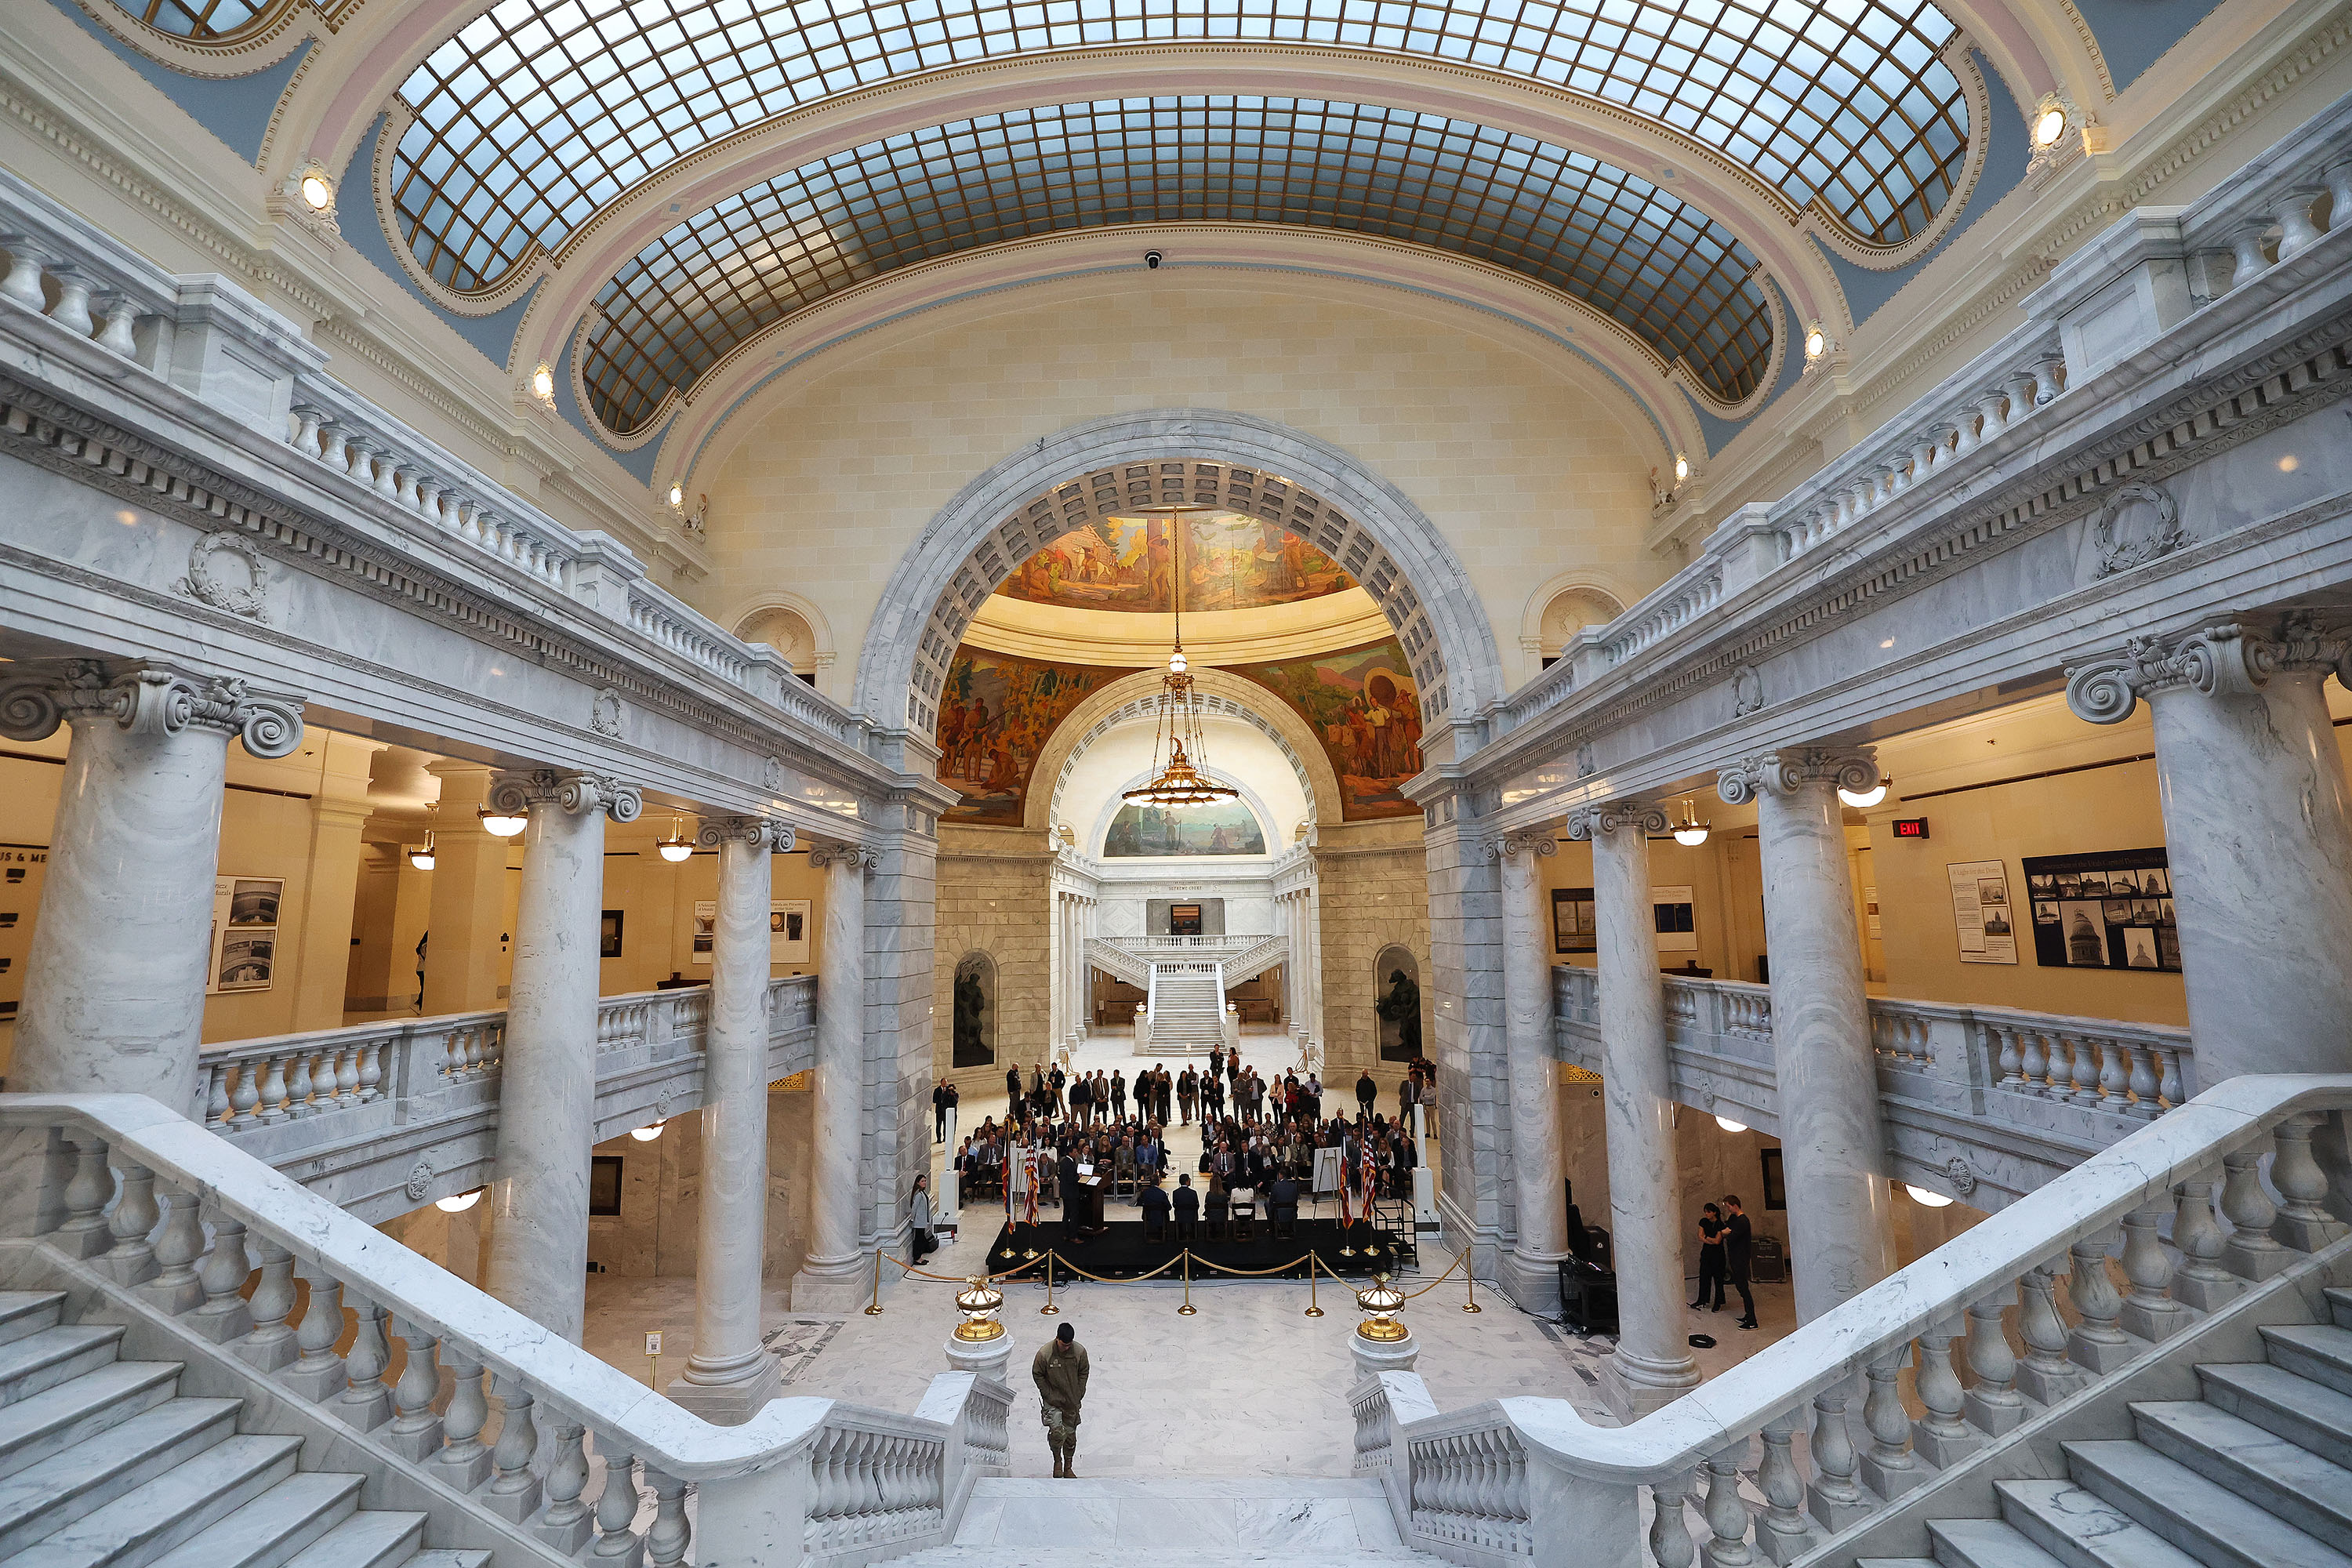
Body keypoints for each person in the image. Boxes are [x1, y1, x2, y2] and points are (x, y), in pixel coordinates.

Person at [1033, 1321, 1091, 1478]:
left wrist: (1079, 1392)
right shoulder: (1045, 1354)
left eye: (1069, 1345)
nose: (1067, 1348)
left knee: (1070, 1437)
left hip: (1071, 1402)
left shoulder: (1079, 1352)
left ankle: (1068, 1466)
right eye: (1064, 1345)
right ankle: (1057, 1461)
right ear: (1057, 1339)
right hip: (1053, 1402)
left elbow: (1084, 1371)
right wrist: (1048, 1394)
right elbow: (1037, 1374)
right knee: (1057, 1434)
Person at [1722, 1193, 1757, 1329]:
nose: (1728, 1209)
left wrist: (1726, 1233)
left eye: (1729, 1206)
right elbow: (1727, 1227)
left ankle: (1752, 1320)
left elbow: (1730, 1236)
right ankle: (1748, 1315)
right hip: (1735, 1257)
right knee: (1740, 1287)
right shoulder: (1734, 1218)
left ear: (1735, 1206)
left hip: (1741, 1259)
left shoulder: (1743, 1221)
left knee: (1744, 1288)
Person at [1691, 1203, 1726, 1311]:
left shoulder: (1720, 1224)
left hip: (1718, 1255)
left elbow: (1717, 1241)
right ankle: (1702, 1300)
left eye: (1709, 1212)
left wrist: (1707, 1238)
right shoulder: (1703, 1222)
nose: (1706, 1214)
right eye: (1705, 1212)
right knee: (1704, 1278)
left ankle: (1718, 1302)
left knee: (1718, 1279)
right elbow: (1700, 1236)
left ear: (1714, 1212)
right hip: (1706, 1253)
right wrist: (1710, 1239)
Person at [909, 1174, 937, 1265]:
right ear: (918, 1183)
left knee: (920, 1240)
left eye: (925, 1181)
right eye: (922, 1181)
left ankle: (919, 1257)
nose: (924, 1183)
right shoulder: (918, 1195)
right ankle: (917, 1258)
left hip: (922, 1221)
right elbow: (914, 1208)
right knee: (918, 1240)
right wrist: (912, 1219)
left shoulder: (922, 1193)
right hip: (918, 1222)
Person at [1140, 1175, 1172, 1239]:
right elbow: (1169, 1207)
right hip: (1160, 1216)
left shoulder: (1145, 1193)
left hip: (1148, 1215)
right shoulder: (1162, 1193)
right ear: (1159, 1182)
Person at [1173, 1172, 1200, 1240]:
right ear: (1187, 1181)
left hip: (1180, 1215)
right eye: (1189, 1179)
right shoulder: (1193, 1193)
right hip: (1191, 1215)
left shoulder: (1175, 1193)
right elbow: (1197, 1205)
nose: (1190, 1180)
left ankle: (1180, 1234)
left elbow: (1174, 1204)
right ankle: (1194, 1233)